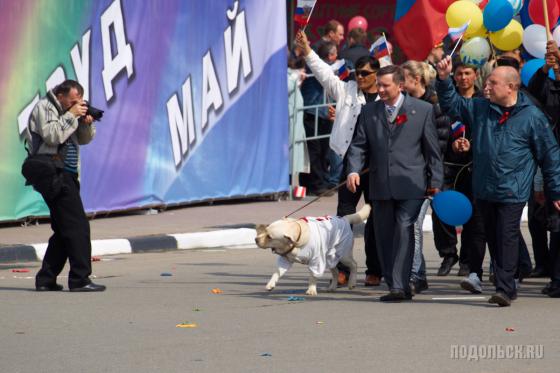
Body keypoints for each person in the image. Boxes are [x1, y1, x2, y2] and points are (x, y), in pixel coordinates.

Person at [436, 56, 560, 306]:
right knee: (493, 236)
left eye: (493, 82)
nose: (487, 86)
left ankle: (505, 288)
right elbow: (452, 105)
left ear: (511, 87)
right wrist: (443, 78)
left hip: (512, 190)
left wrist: (555, 191)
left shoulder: (532, 117)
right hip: (483, 188)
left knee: (506, 235)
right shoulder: (481, 108)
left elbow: (550, 156)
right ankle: (514, 273)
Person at [346, 65, 443, 301]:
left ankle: (400, 285)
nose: (379, 89)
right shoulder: (369, 112)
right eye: (378, 84)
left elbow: (432, 151)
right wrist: (353, 170)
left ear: (400, 85)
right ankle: (394, 283)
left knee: (403, 228)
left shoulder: (422, 110)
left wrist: (436, 182)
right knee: (384, 234)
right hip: (380, 184)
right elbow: (359, 145)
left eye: (384, 85)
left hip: (412, 184)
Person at [295, 30, 382, 286]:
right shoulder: (346, 90)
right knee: (343, 218)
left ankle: (374, 270)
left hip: (375, 167)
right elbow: (324, 74)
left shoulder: (387, 96)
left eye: (365, 73)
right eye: (358, 72)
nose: (360, 77)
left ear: (377, 74)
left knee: (375, 218)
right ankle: (343, 269)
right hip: (348, 163)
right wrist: (308, 50)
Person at [22, 80, 105, 292]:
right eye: (73, 100)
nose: (76, 104)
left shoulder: (70, 113)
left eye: (79, 101)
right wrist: (72, 115)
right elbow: (53, 135)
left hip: (67, 173)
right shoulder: (45, 107)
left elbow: (84, 140)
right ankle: (80, 279)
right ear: (60, 95)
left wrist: (85, 122)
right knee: (78, 226)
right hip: (53, 174)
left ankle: (46, 279)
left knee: (63, 229)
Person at [401, 60, 450, 294]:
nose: (400, 83)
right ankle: (415, 273)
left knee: (414, 226)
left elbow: (438, 143)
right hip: (405, 175)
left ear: (416, 79)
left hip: (425, 176)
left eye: (404, 78)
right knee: (408, 226)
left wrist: (433, 178)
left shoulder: (433, 104)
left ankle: (416, 274)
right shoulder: (401, 104)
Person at [432, 62, 484, 279]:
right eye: (459, 74)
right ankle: (448, 253)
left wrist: (470, 146)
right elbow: (438, 131)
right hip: (449, 165)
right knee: (441, 210)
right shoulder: (445, 101)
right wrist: (451, 146)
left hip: (474, 166)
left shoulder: (483, 101)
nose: (463, 78)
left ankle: (467, 260)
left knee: (472, 215)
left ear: (476, 75)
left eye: (467, 74)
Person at [299, 41, 339, 195]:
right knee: (313, 150)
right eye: (335, 53)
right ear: (329, 55)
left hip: (324, 112)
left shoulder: (330, 68)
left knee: (323, 150)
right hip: (312, 112)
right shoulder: (317, 67)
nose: (337, 56)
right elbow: (323, 72)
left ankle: (320, 181)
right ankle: (315, 185)